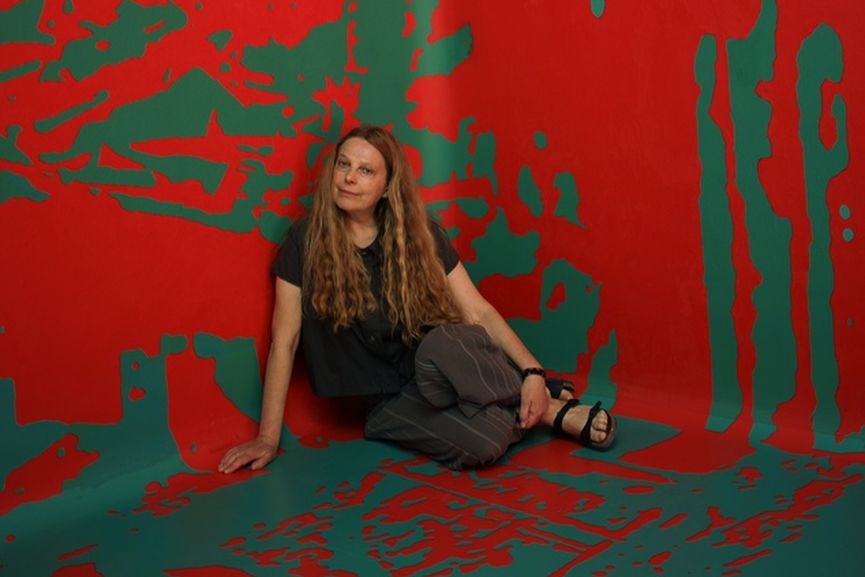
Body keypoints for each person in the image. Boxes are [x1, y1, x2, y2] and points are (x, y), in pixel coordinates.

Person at [218, 125, 616, 473]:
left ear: (387, 186)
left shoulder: (419, 234)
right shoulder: (303, 241)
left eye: (365, 170)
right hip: (386, 403)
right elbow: (284, 341)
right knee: (483, 444)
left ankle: (548, 405)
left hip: (437, 365)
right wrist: (267, 438)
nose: (349, 178)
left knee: (445, 343)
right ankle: (541, 406)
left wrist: (533, 372)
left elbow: (477, 311)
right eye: (343, 164)